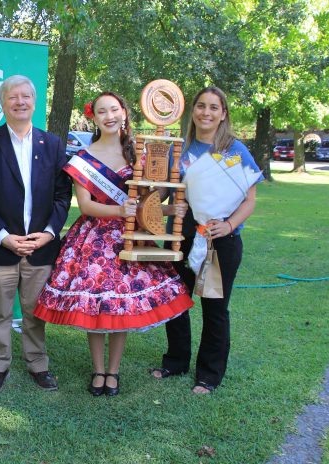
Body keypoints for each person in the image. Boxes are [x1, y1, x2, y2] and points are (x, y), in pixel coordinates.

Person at [32, 92, 194, 396]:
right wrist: (120, 210)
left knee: (121, 308)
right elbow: (86, 205)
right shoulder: (83, 158)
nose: (109, 116)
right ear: (94, 117)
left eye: (114, 110)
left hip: (131, 238)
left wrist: (170, 205)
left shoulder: (139, 153)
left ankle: (113, 371)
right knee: (96, 308)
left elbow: (151, 200)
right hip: (94, 240)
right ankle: (98, 369)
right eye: (102, 111)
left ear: (124, 113)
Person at [150, 86, 264, 394]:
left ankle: (209, 373)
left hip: (220, 240)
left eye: (214, 107)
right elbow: (162, 192)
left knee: (215, 308)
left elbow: (250, 199)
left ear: (223, 114)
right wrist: (151, 186)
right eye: (201, 106)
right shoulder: (179, 149)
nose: (206, 112)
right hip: (181, 236)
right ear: (193, 111)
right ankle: (176, 361)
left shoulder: (235, 151)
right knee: (176, 302)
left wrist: (229, 225)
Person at [0, 75, 72, 394]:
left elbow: (62, 195)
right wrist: (3, 236)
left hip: (40, 247)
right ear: (2, 103)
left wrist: (48, 233)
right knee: (0, 312)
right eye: (12, 97)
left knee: (34, 311)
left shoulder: (52, 144)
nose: (20, 102)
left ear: (34, 101)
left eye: (25, 96)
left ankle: (38, 364)